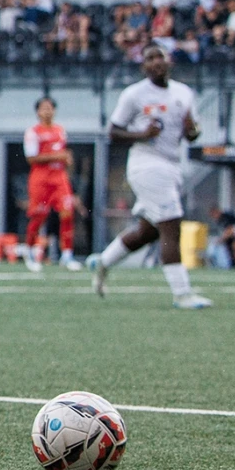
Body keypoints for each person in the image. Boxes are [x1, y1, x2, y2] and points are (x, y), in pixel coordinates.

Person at [88, 44, 211, 308]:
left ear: (170, 61)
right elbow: (113, 132)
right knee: (171, 225)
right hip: (146, 164)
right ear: (143, 67)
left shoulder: (183, 92)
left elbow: (192, 133)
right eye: (149, 59)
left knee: (148, 232)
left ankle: (103, 262)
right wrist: (141, 135)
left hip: (172, 164)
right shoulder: (134, 94)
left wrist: (193, 130)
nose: (156, 62)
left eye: (160, 57)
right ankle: (182, 294)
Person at [22, 97, 80, 273]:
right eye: (43, 108)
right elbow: (31, 158)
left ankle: (67, 255)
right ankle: (30, 251)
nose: (47, 111)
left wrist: (66, 160)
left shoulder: (60, 130)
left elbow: (63, 155)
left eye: (50, 108)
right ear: (38, 112)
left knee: (67, 214)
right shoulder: (33, 132)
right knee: (39, 216)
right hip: (41, 178)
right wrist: (58, 156)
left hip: (59, 177)